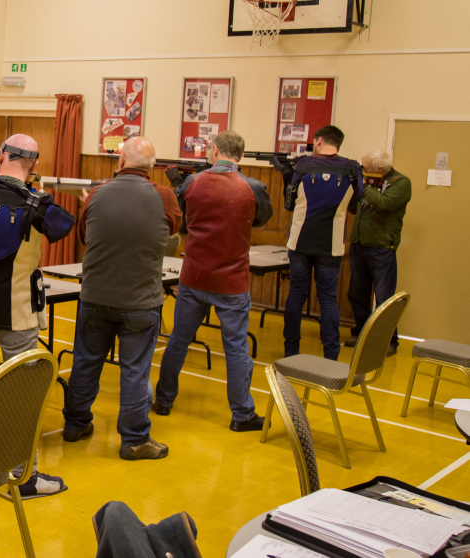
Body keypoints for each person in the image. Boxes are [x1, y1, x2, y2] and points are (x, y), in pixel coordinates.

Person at [0, 134, 75, 498]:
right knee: (21, 391)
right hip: (15, 309)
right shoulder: (36, 203)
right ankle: (24, 476)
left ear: (2, 156)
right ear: (33, 163)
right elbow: (64, 226)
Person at [62, 137, 182, 460]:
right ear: (152, 167)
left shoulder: (97, 194)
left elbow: (84, 236)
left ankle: (75, 424)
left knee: (85, 362)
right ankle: (134, 440)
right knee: (135, 371)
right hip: (141, 301)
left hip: (95, 298)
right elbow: (174, 228)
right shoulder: (164, 196)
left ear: (121, 162)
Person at [154, 131, 273, 431]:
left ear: (216, 150)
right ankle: (242, 414)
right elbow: (261, 219)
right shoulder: (253, 187)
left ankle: (164, 400)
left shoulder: (192, 183)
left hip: (194, 275)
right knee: (235, 349)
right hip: (231, 280)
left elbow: (183, 223)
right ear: (239, 155)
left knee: (178, 341)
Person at [283, 125, 362, 361]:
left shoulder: (302, 166)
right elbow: (356, 204)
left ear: (318, 141)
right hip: (332, 243)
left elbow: (289, 202)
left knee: (296, 295)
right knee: (328, 299)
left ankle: (291, 352)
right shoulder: (352, 168)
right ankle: (331, 355)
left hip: (300, 240)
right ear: (338, 143)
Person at [346, 149, 412, 356]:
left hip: (382, 247)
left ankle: (388, 341)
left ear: (380, 169)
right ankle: (361, 333)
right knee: (357, 294)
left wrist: (362, 185)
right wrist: (355, 185)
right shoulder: (368, 181)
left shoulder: (401, 183)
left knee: (384, 298)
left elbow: (385, 204)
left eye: (366, 168)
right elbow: (353, 209)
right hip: (359, 244)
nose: (362, 170)